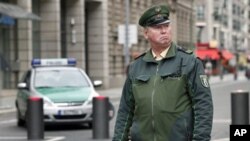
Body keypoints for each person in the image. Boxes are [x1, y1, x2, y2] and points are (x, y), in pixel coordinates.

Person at [112, 4, 213, 141]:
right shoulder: (136, 66)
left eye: (166, 26)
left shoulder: (190, 62)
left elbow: (203, 106)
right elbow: (125, 110)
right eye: (157, 27)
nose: (164, 31)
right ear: (146, 33)